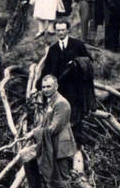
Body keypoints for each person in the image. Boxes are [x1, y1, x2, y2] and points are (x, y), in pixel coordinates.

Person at [23, 75, 76, 188]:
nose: (46, 90)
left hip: (60, 146)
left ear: (56, 86)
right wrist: (31, 133)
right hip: (49, 143)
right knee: (27, 158)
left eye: (49, 87)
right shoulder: (50, 101)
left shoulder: (61, 103)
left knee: (62, 178)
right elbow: (45, 124)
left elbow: (53, 128)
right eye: (44, 87)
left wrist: (35, 133)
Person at [35, 19, 95, 149]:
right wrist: (39, 85)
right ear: (55, 31)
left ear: (68, 30)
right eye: (58, 30)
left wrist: (75, 63)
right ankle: (61, 145)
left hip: (76, 88)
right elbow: (47, 68)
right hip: (60, 90)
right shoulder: (53, 49)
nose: (60, 32)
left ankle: (77, 145)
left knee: (76, 115)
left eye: (63, 30)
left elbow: (88, 61)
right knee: (59, 116)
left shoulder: (77, 45)